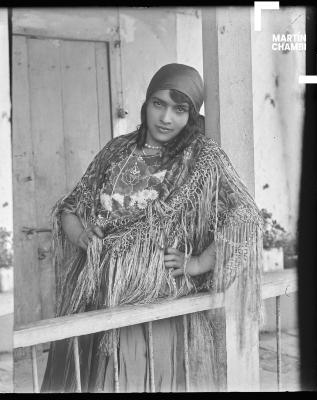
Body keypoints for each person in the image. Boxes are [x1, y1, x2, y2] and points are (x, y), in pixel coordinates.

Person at [41, 63, 263, 392]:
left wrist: (199, 262)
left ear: (191, 114)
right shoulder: (115, 150)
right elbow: (70, 207)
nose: (166, 118)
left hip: (153, 307)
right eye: (158, 104)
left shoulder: (202, 156)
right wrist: (80, 235)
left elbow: (245, 214)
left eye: (180, 109)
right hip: (94, 298)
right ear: (146, 103)